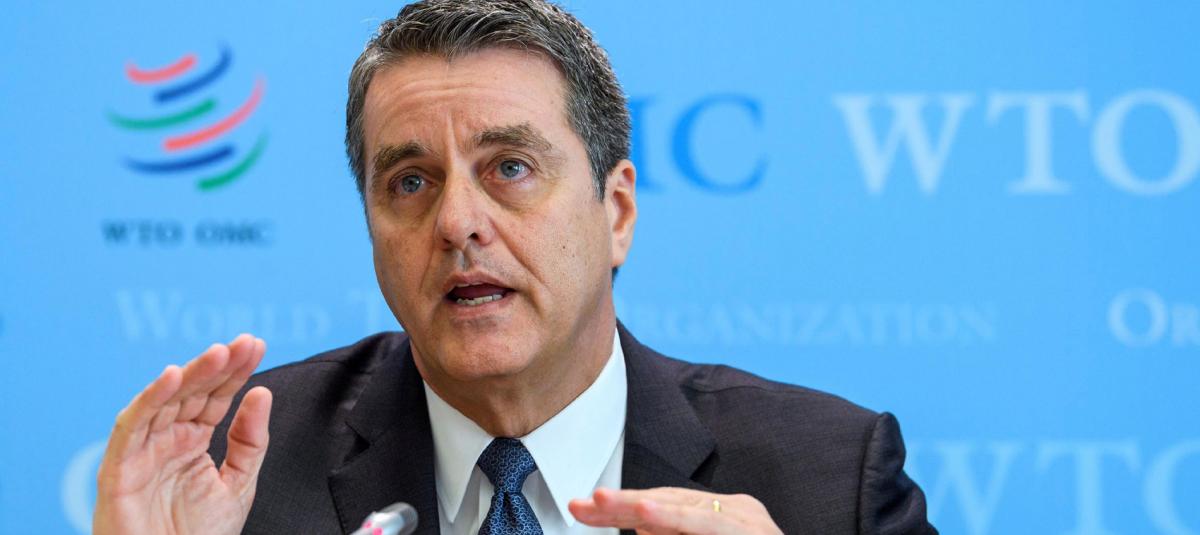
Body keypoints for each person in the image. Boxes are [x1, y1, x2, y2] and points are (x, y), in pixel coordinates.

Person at [93, 1, 937, 533]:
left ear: (617, 212)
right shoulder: (236, 472)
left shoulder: (829, 480)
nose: (456, 221)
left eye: (510, 168)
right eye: (410, 181)